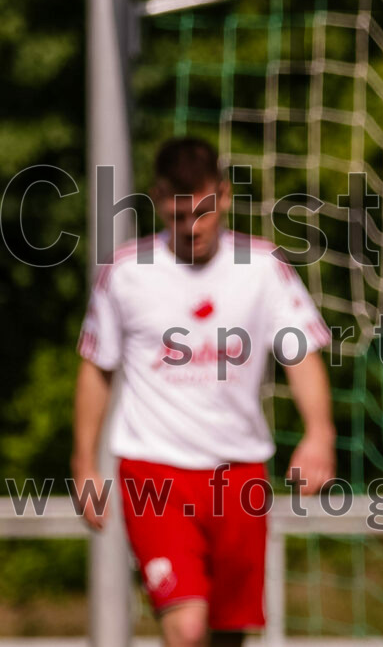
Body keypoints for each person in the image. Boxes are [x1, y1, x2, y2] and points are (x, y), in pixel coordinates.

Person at [72, 137, 335, 647]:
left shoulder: (263, 267)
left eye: (202, 212)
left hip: (239, 472)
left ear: (223, 195)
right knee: (187, 627)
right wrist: (84, 462)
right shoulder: (125, 272)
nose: (191, 228)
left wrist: (319, 434)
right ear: (157, 200)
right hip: (154, 471)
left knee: (229, 632)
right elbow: (96, 368)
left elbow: (301, 354)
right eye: (177, 216)